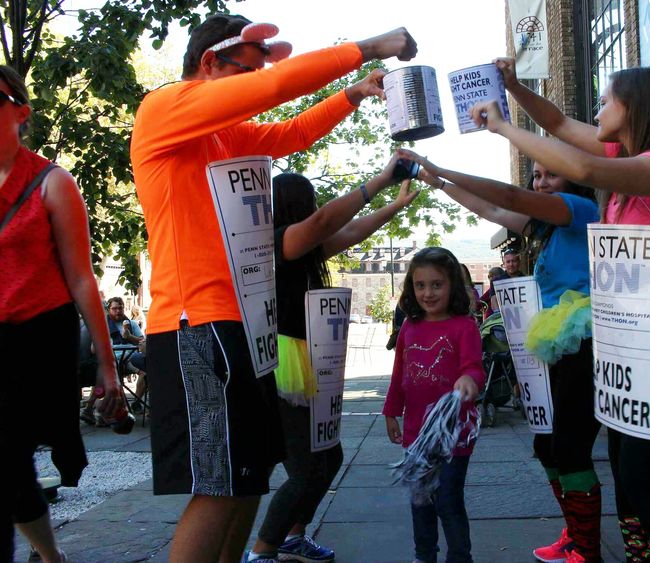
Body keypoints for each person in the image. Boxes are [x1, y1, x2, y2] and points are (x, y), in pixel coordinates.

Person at [129, 13, 418, 562]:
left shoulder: (221, 133)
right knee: (217, 487)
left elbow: (290, 134)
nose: (257, 80)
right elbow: (274, 90)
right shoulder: (164, 107)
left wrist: (352, 95)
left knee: (246, 481)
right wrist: (368, 48)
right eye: (248, 69)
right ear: (210, 63)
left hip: (240, 325)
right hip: (197, 324)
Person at [472, 59, 650, 561]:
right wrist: (514, 87)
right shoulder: (630, 157)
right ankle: (640, 554)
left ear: (635, 107)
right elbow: (559, 125)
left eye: (606, 100)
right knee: (626, 464)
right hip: (629, 329)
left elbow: (580, 169)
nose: (598, 108)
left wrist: (502, 127)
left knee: (640, 474)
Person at [401, 148, 603, 562]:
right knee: (547, 448)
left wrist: (442, 168)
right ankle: (576, 534)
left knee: (569, 447)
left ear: (573, 179)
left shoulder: (580, 210)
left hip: (583, 339)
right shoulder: (548, 229)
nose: (540, 182)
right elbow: (493, 209)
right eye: (536, 175)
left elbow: (508, 197)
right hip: (556, 341)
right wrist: (439, 185)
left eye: (551, 174)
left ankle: (587, 548)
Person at [245, 161, 419, 563]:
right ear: (298, 206)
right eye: (310, 203)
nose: (317, 209)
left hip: (307, 357)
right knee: (306, 470)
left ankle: (292, 536)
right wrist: (379, 181)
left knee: (331, 456)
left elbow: (353, 229)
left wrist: (395, 206)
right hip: (285, 364)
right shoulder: (279, 242)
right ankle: (261, 551)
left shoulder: (304, 249)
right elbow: (326, 220)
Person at [0, 65, 121, 563]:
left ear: (20, 112)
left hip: (37, 339)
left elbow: (81, 279)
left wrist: (108, 365)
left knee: (7, 461)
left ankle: (47, 556)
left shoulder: (52, 182)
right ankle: (50, 556)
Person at [383, 247, 485, 563]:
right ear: (411, 288)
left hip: (454, 435)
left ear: (452, 285)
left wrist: (469, 379)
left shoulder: (464, 326)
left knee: (448, 501)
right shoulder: (409, 328)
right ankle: (424, 555)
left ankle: (459, 557)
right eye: (420, 285)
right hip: (416, 435)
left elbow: (474, 367)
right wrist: (390, 411)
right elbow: (399, 374)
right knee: (420, 501)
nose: (428, 293)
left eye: (437, 284)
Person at [105, 296, 147, 413]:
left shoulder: (131, 323)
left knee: (146, 372)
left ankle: (136, 402)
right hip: (112, 359)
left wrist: (129, 337)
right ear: (109, 309)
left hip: (131, 358)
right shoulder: (104, 325)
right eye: (115, 309)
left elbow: (142, 342)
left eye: (120, 308)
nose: (118, 311)